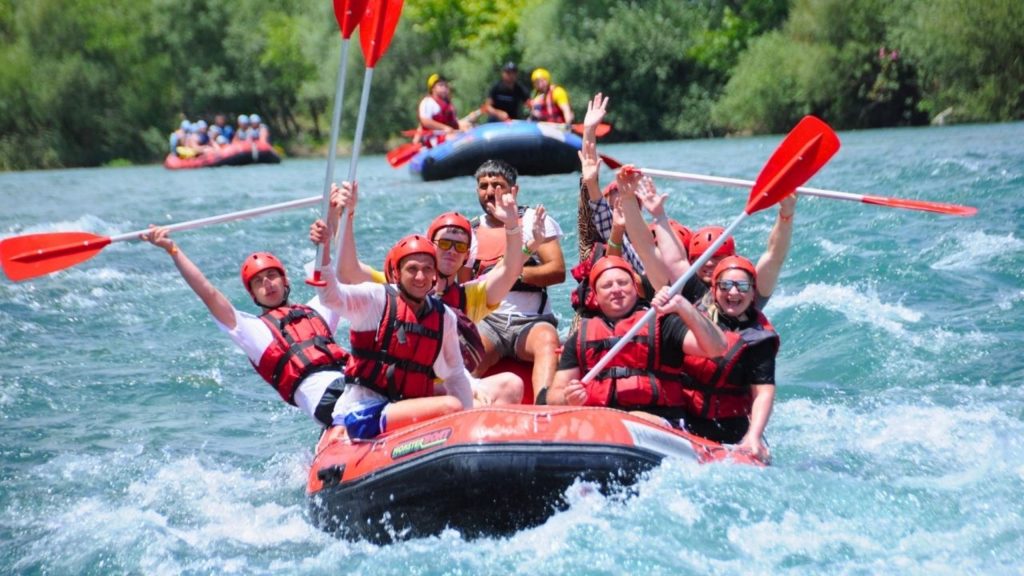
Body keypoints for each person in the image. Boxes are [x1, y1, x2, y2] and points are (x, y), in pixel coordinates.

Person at [310, 181, 526, 405]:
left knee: (512, 384)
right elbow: (348, 271)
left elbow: (511, 270)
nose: (452, 251)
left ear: (466, 257)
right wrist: (346, 217)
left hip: (447, 385)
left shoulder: (469, 297)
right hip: (400, 390)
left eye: (460, 247)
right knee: (455, 402)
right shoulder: (398, 289)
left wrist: (511, 224)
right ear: (430, 246)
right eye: (444, 243)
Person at [140, 227, 350, 427]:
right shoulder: (253, 331)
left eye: (271, 275)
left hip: (353, 379)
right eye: (258, 281)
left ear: (284, 280)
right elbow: (208, 293)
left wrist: (339, 215)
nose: (267, 283)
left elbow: (341, 271)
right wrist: (173, 250)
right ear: (253, 294)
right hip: (325, 397)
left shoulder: (316, 310)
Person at [315, 226, 474, 440]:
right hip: (364, 412)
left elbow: (455, 375)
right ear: (397, 273)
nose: (420, 276)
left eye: (428, 269)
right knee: (450, 405)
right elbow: (331, 297)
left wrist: (468, 426)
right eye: (412, 269)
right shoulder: (375, 299)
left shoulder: (444, 316)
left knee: (463, 400)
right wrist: (323, 251)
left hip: (405, 408)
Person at [545, 256, 727, 426]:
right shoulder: (580, 337)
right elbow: (555, 395)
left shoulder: (663, 324)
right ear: (595, 296)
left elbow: (717, 348)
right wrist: (568, 397)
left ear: (635, 287)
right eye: (607, 286)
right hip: (603, 422)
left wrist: (683, 306)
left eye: (623, 283)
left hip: (660, 422)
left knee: (630, 419)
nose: (616, 289)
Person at [466, 159, 566, 401]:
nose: (490, 192)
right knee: (464, 354)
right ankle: (464, 407)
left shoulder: (534, 221)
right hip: (489, 323)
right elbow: (463, 292)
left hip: (531, 322)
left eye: (497, 185)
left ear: (514, 190)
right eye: (484, 186)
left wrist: (511, 273)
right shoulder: (470, 231)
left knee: (547, 341)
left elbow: (557, 271)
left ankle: (544, 406)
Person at [679, 255, 779, 463]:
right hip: (683, 419)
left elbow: (763, 392)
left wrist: (754, 435)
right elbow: (667, 258)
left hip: (729, 427)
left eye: (742, 286)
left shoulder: (759, 339)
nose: (733, 292)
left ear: (753, 293)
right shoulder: (695, 317)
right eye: (725, 285)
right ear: (714, 290)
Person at [417, 74, 478, 144]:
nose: (444, 88)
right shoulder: (428, 102)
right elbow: (425, 121)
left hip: (448, 134)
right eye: (441, 85)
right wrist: (444, 127)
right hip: (434, 137)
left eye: (445, 86)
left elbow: (454, 123)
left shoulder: (447, 104)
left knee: (470, 126)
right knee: (455, 138)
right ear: (432, 88)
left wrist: (469, 120)